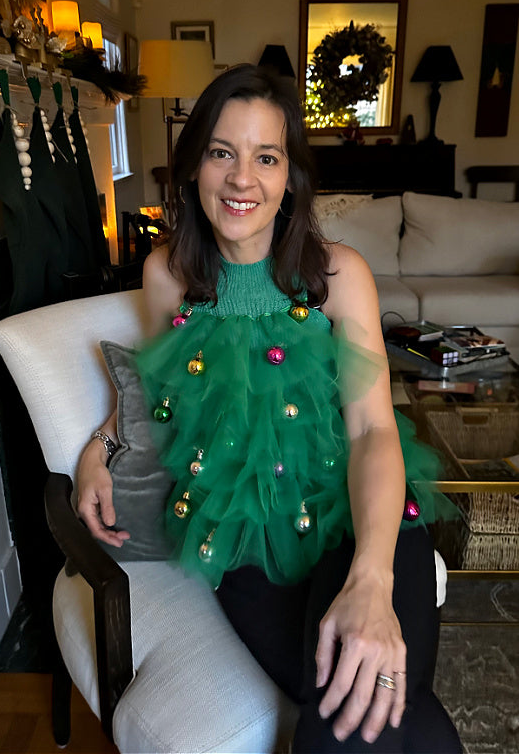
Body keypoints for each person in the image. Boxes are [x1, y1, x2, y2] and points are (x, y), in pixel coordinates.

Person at [77, 64, 462, 753]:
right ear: (193, 165)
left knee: (358, 709)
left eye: (266, 157)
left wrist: (372, 578)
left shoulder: (336, 277)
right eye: (222, 152)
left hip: (362, 520)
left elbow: (375, 430)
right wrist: (99, 447)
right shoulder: (169, 274)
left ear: (290, 178)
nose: (241, 178)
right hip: (244, 541)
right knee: (357, 713)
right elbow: (164, 385)